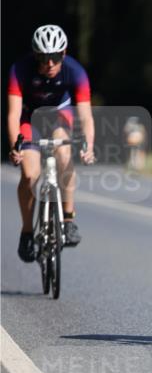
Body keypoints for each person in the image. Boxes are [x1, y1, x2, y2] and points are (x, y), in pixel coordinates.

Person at [7, 24, 95, 263]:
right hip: (29, 118)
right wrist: (15, 146)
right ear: (35, 55)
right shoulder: (19, 70)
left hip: (59, 115)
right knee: (29, 175)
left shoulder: (75, 72)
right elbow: (13, 114)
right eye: (43, 58)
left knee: (64, 155)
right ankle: (27, 233)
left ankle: (68, 219)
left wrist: (88, 146)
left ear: (63, 53)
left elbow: (86, 116)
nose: (49, 64)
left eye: (55, 57)